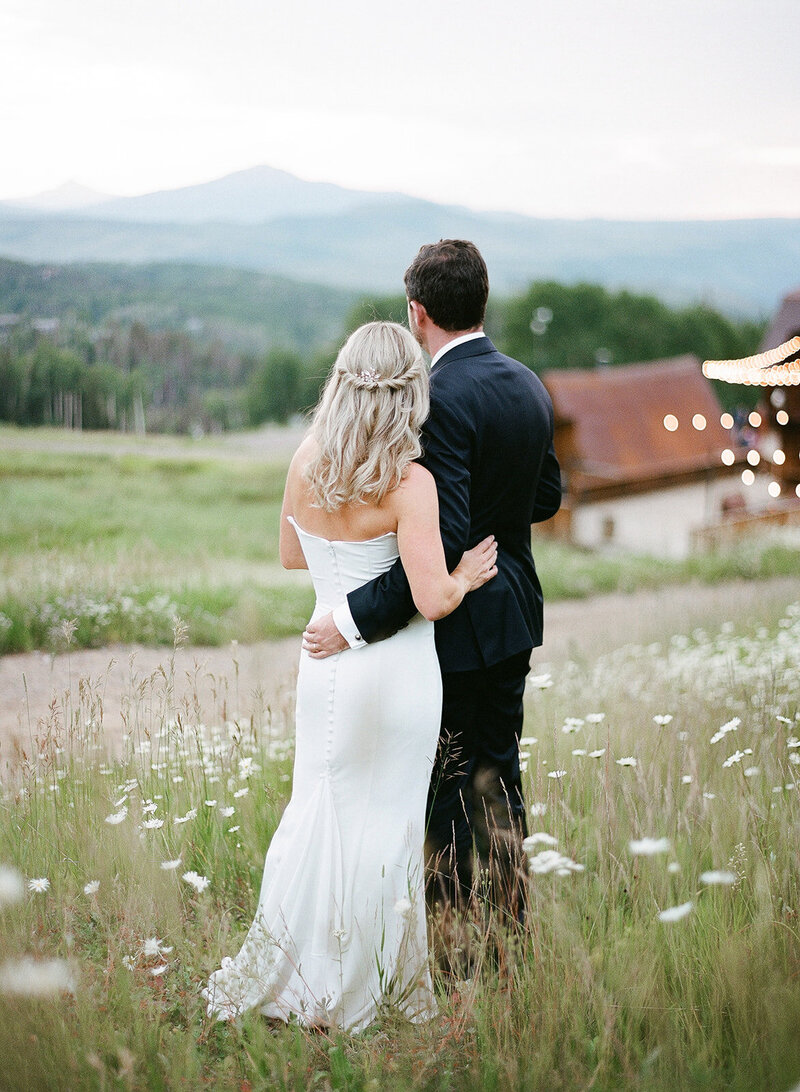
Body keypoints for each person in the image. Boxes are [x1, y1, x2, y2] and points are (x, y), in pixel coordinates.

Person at [203, 321, 498, 1030]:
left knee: (317, 812)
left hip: (322, 668)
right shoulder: (409, 480)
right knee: (386, 826)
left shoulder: (306, 460)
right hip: (393, 674)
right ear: (410, 395)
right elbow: (428, 600)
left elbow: (290, 555)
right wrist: (462, 575)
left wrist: (341, 560)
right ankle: (373, 987)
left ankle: (296, 973)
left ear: (340, 379)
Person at [304, 240, 562, 918]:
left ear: (418, 313)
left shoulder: (436, 398)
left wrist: (351, 618)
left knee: (443, 785)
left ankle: (449, 940)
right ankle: (509, 930)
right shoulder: (529, 383)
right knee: (498, 778)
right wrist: (495, 522)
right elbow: (546, 499)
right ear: (480, 301)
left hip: (456, 624)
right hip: (513, 610)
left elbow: (438, 549)